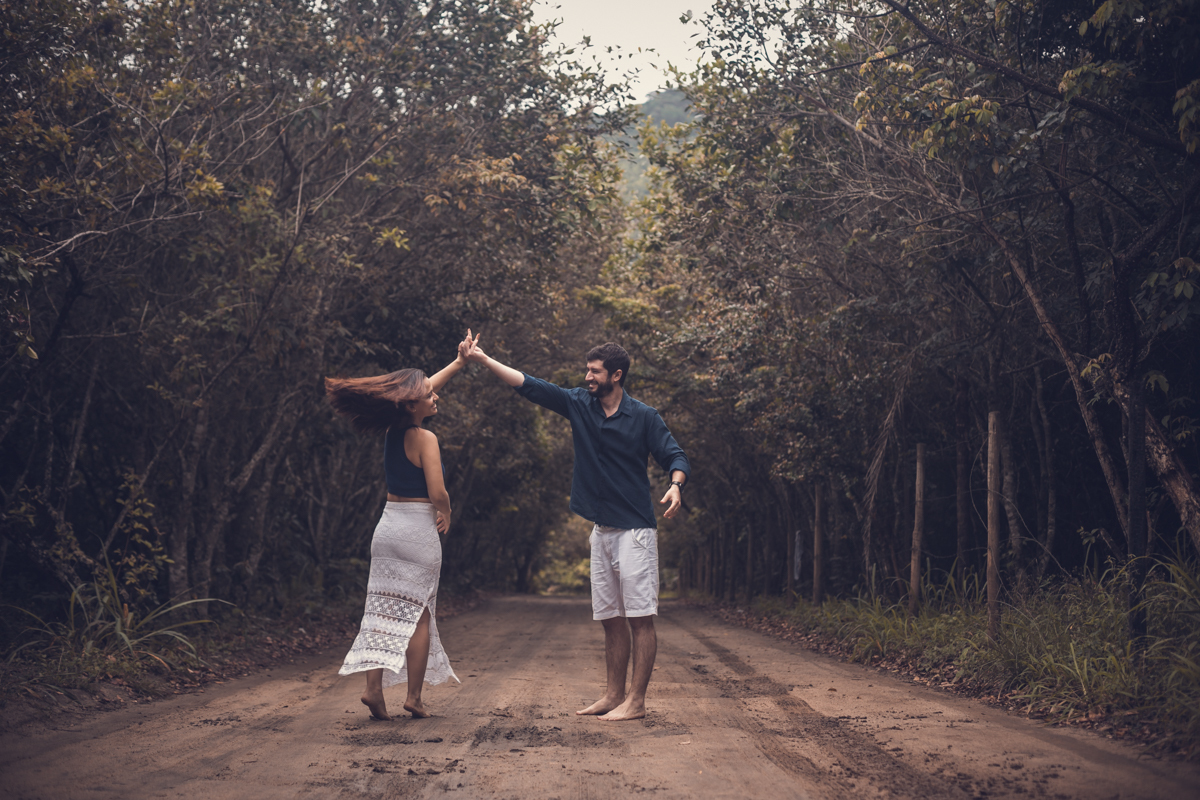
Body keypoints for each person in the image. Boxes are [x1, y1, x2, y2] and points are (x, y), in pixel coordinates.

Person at [460, 333, 689, 721]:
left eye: (595, 371)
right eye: (587, 370)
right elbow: (530, 385)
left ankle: (637, 702)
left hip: (635, 531)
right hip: (601, 531)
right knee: (610, 619)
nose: (587, 377)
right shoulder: (579, 404)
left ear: (616, 375)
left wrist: (676, 486)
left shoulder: (645, 417)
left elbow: (675, 455)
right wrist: (483, 360)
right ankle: (613, 696)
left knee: (639, 617)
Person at [324, 337, 472, 720]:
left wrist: (457, 363)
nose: (435, 396)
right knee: (419, 614)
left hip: (388, 528)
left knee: (381, 610)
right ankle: (414, 697)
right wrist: (449, 512)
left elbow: (423, 391)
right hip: (419, 530)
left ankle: (373, 690)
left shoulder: (393, 430)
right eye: (429, 395)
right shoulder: (426, 439)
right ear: (411, 404)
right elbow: (437, 492)